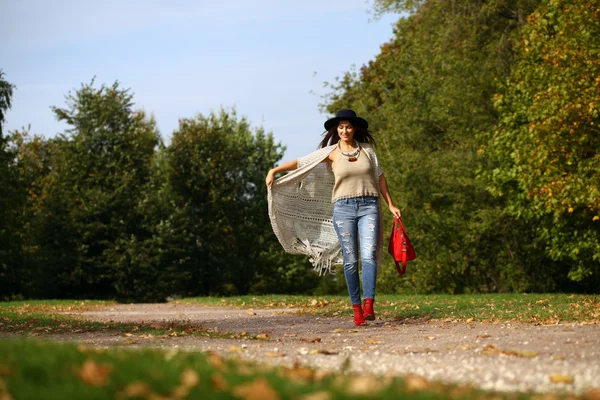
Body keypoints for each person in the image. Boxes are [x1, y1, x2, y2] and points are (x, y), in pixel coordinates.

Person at [266, 109, 401, 326]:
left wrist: (391, 204)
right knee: (350, 260)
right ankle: (356, 309)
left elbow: (380, 178)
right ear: (336, 130)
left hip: (369, 206)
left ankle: (369, 304)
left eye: (348, 127)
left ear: (354, 128)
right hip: (343, 209)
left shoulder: (367, 150)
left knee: (368, 256)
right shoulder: (330, 153)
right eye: (341, 127)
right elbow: (301, 163)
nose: (344, 130)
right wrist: (274, 170)